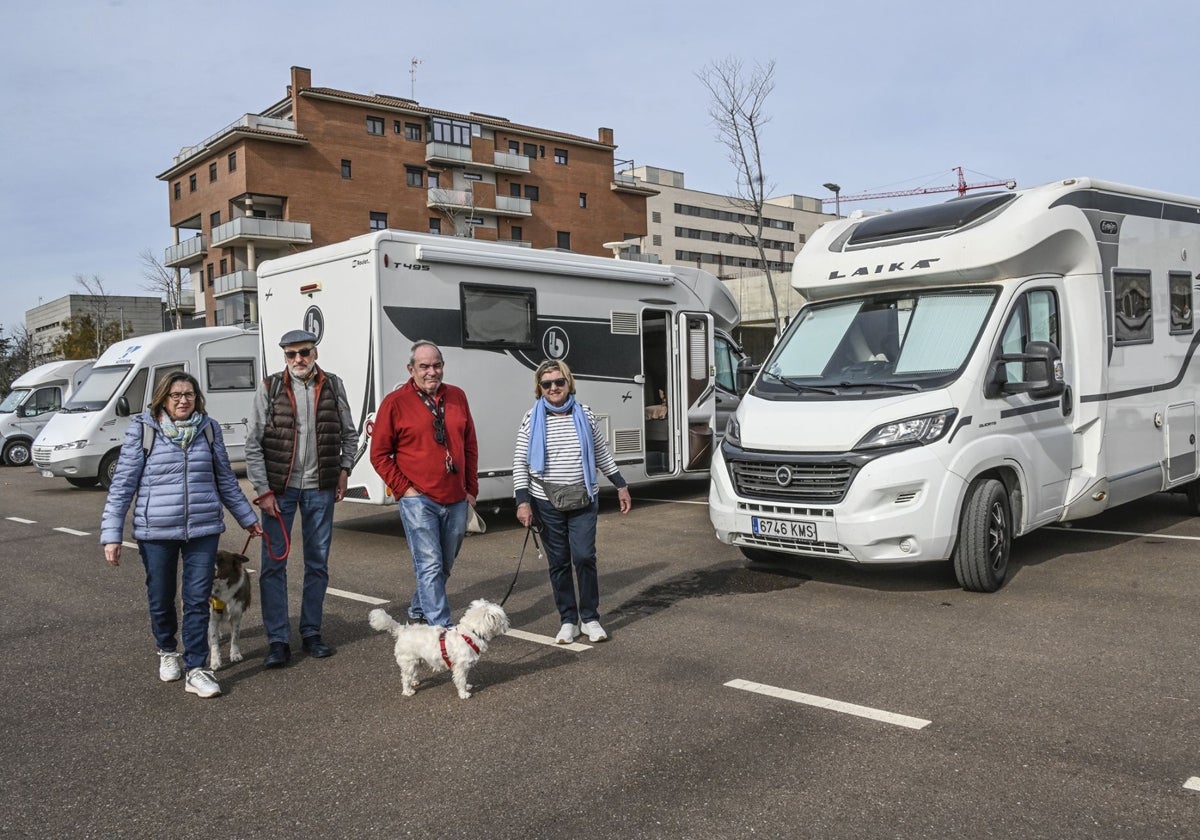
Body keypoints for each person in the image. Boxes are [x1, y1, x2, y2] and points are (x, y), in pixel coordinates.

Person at [101, 372, 262, 699]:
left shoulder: (209, 429)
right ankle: (166, 650)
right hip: (155, 530)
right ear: (163, 398)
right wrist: (112, 534)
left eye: (189, 394)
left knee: (197, 599)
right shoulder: (144, 430)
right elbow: (122, 487)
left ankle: (197, 668)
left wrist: (247, 519)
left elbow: (226, 481)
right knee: (161, 596)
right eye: (175, 395)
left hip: (202, 530)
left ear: (197, 398)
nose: (183, 400)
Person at [244, 329, 358, 669]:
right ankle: (278, 640)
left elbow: (349, 434)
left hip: (319, 489)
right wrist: (262, 490)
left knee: (317, 564)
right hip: (280, 491)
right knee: (273, 566)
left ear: (315, 353)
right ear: (284, 357)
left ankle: (311, 633)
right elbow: (253, 444)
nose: (298, 360)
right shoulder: (270, 388)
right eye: (291, 354)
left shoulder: (334, 385)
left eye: (304, 352)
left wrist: (344, 470)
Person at [513, 359, 631, 644]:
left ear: (568, 383)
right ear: (539, 389)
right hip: (545, 501)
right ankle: (568, 620)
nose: (554, 388)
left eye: (559, 382)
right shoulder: (532, 418)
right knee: (559, 563)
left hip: (583, 498)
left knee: (584, 557)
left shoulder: (586, 414)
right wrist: (522, 501)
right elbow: (520, 461)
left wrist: (621, 485)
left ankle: (590, 618)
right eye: (547, 384)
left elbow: (601, 452)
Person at [370, 340, 478, 628]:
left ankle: (418, 608)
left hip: (455, 497)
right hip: (419, 500)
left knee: (444, 564)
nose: (432, 372)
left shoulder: (457, 396)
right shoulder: (395, 403)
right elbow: (379, 454)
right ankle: (440, 628)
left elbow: (470, 445)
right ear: (411, 369)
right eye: (424, 366)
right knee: (429, 564)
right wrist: (405, 490)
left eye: (437, 365)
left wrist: (471, 490)